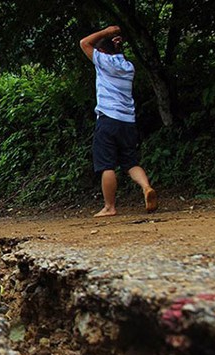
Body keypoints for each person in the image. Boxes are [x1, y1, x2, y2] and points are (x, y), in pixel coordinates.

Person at [80, 25, 157, 217]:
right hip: (127, 121)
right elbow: (111, 52)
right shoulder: (128, 67)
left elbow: (84, 43)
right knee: (131, 162)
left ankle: (109, 207)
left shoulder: (103, 61)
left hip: (107, 120)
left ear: (102, 51)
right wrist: (114, 45)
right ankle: (146, 187)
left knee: (106, 165)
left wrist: (107, 32)